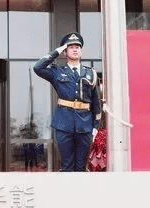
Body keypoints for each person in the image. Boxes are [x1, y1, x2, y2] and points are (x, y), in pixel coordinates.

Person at [33, 32, 102, 172]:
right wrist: (57, 51)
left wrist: (95, 127)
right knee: (67, 166)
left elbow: (96, 103)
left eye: (78, 47)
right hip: (64, 123)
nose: (75, 49)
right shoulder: (57, 71)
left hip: (85, 124)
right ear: (65, 52)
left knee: (81, 166)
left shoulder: (91, 73)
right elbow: (37, 67)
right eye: (71, 47)